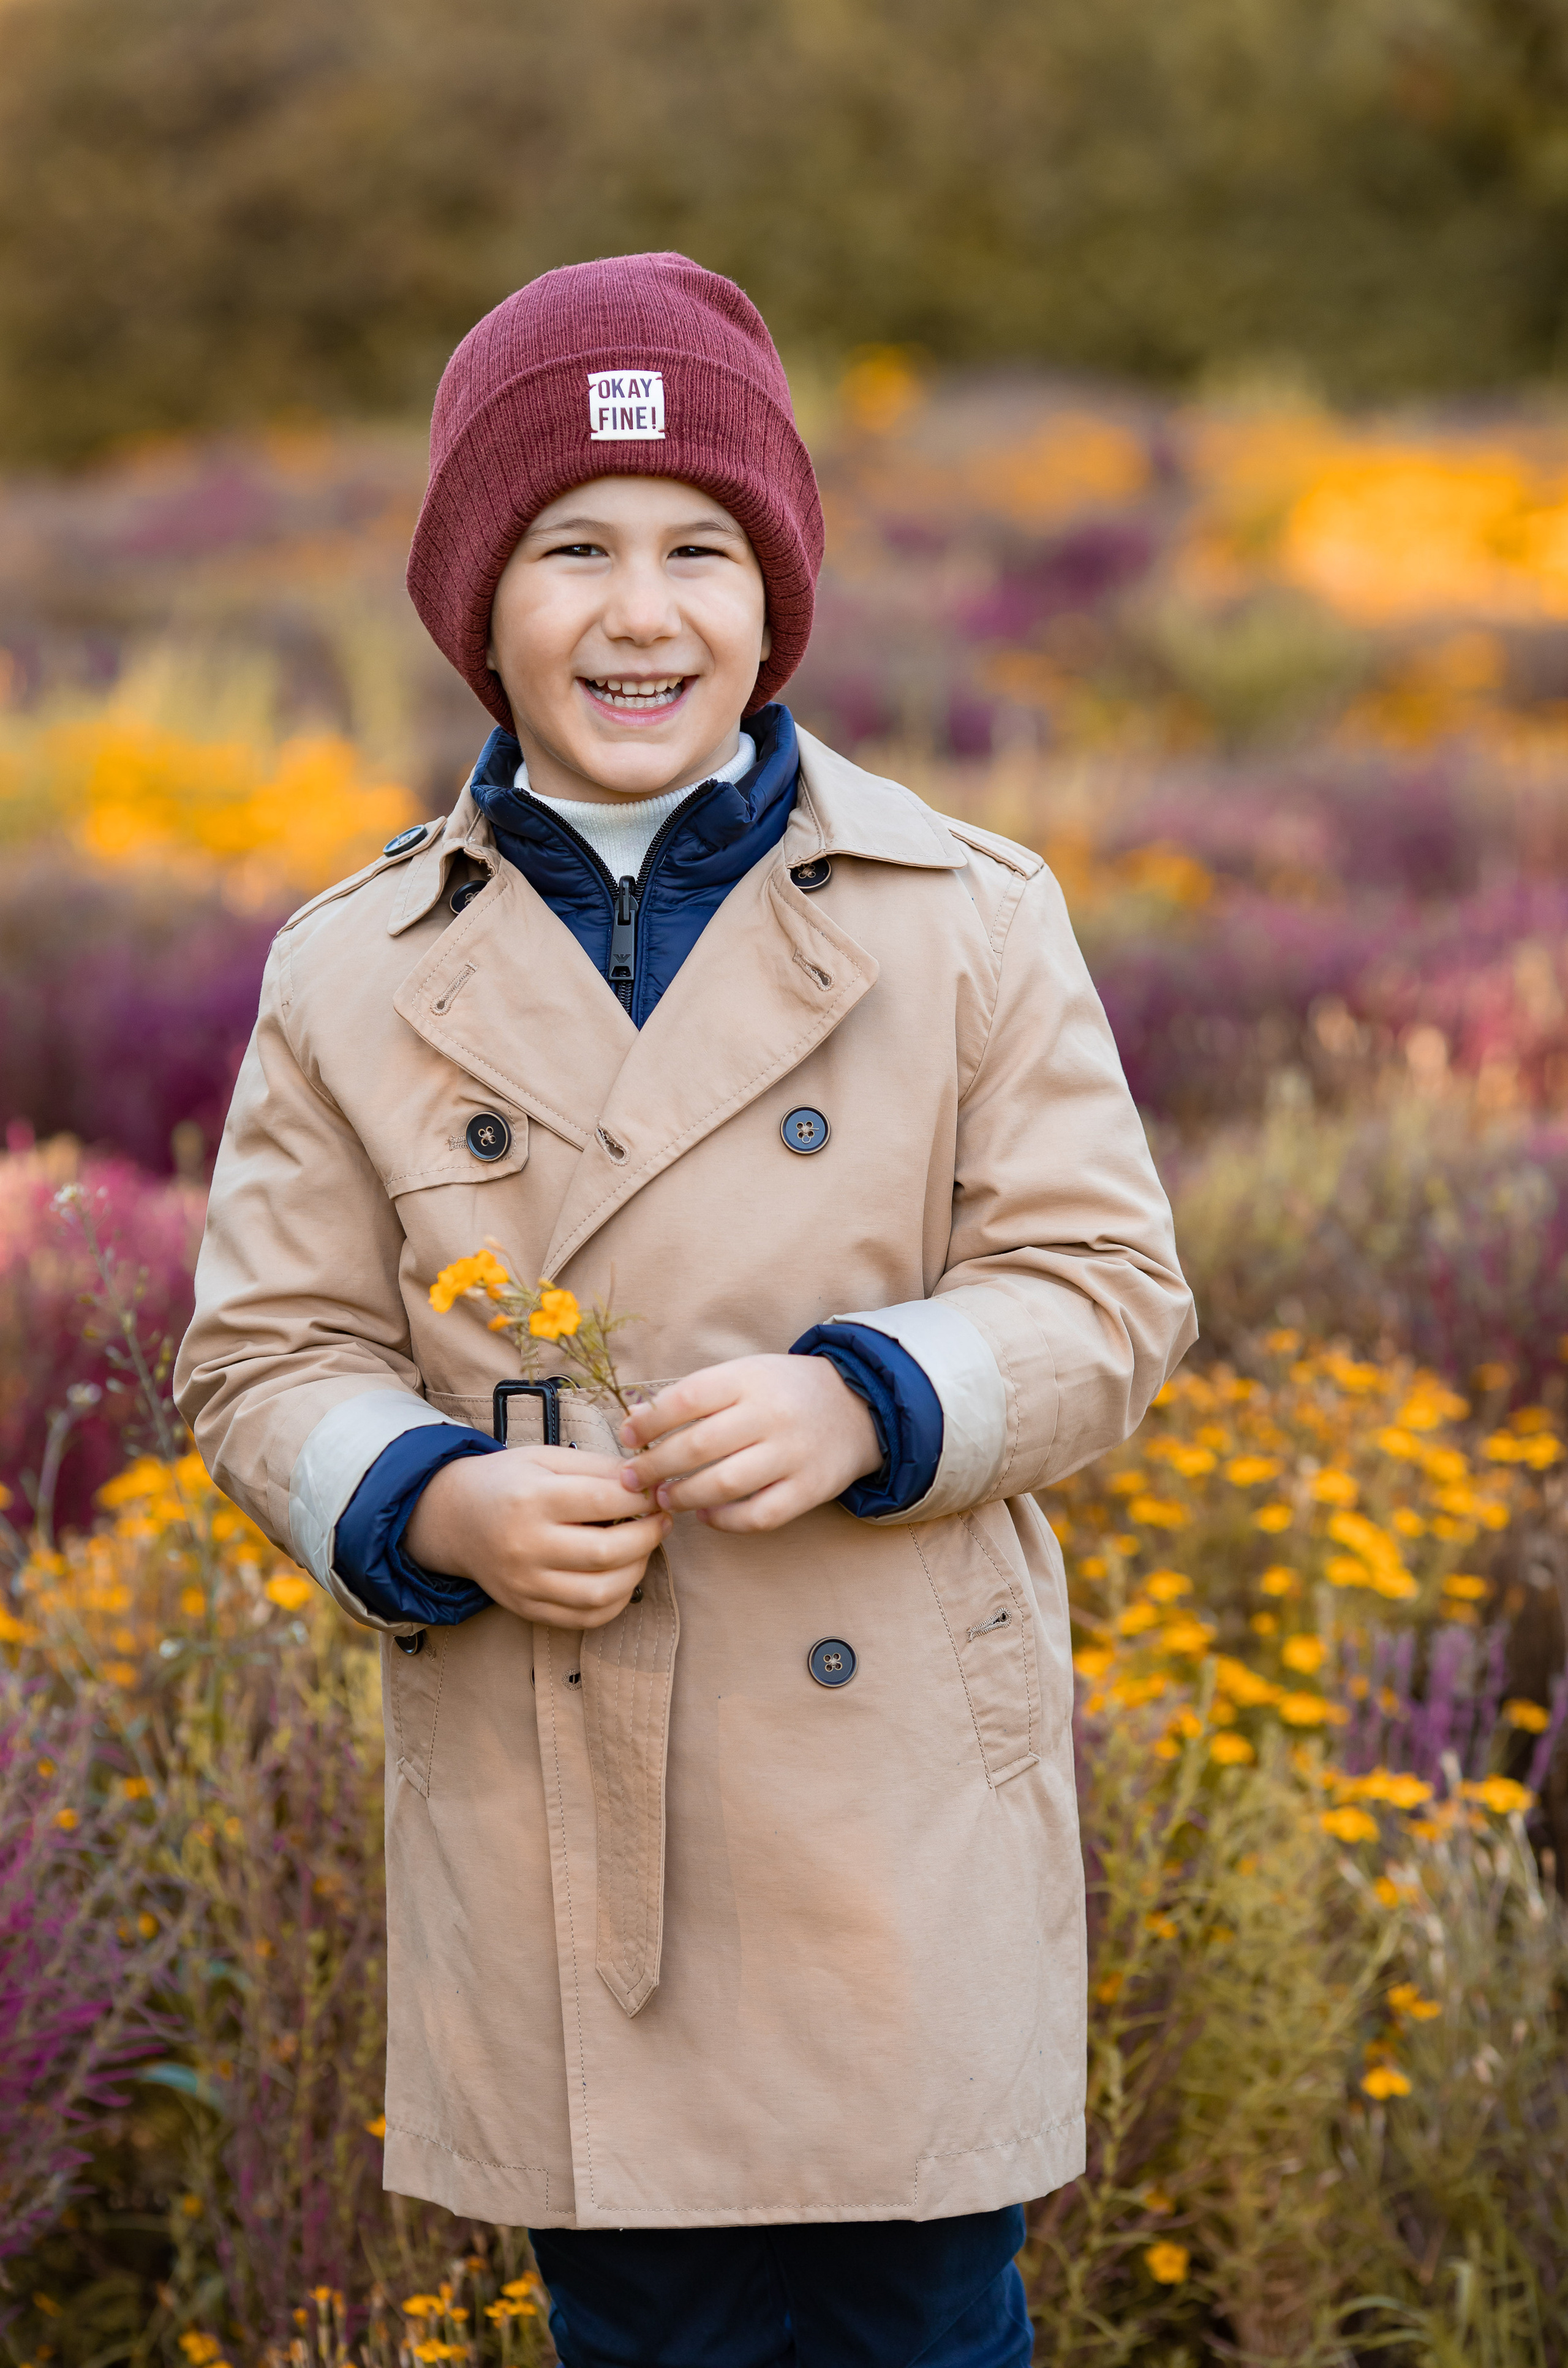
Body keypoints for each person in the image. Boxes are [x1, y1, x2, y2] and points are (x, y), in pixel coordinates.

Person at [176, 252, 1196, 2367]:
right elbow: (268, 1353)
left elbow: (1107, 1287)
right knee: (646, 2326)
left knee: (930, 2315)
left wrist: (877, 1396)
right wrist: (432, 1505)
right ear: (479, 602)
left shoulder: (966, 918)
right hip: (571, 1822)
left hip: (894, 1817)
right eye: (572, 550)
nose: (641, 613)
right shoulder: (353, 970)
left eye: (699, 550)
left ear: (774, 593)